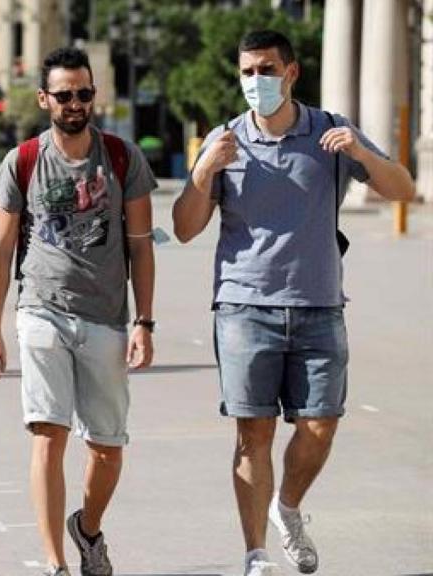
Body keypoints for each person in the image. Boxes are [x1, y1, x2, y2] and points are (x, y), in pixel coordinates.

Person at [172, 30, 415, 576]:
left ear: (291, 73)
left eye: (266, 69)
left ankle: (287, 506)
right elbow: (184, 228)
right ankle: (256, 555)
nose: (255, 80)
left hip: (319, 305)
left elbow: (403, 189)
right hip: (244, 308)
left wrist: (360, 154)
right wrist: (204, 170)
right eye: (247, 72)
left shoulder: (329, 131)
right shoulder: (225, 139)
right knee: (252, 434)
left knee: (321, 425)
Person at [0, 47, 157, 576]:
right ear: (45, 99)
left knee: (107, 448)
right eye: (64, 95)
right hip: (41, 311)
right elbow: (0, 251)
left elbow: (141, 245)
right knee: (48, 434)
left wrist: (144, 322)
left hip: (105, 316)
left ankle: (87, 528)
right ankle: (56, 563)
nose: (74, 103)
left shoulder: (122, 158)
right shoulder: (22, 161)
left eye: (83, 93)